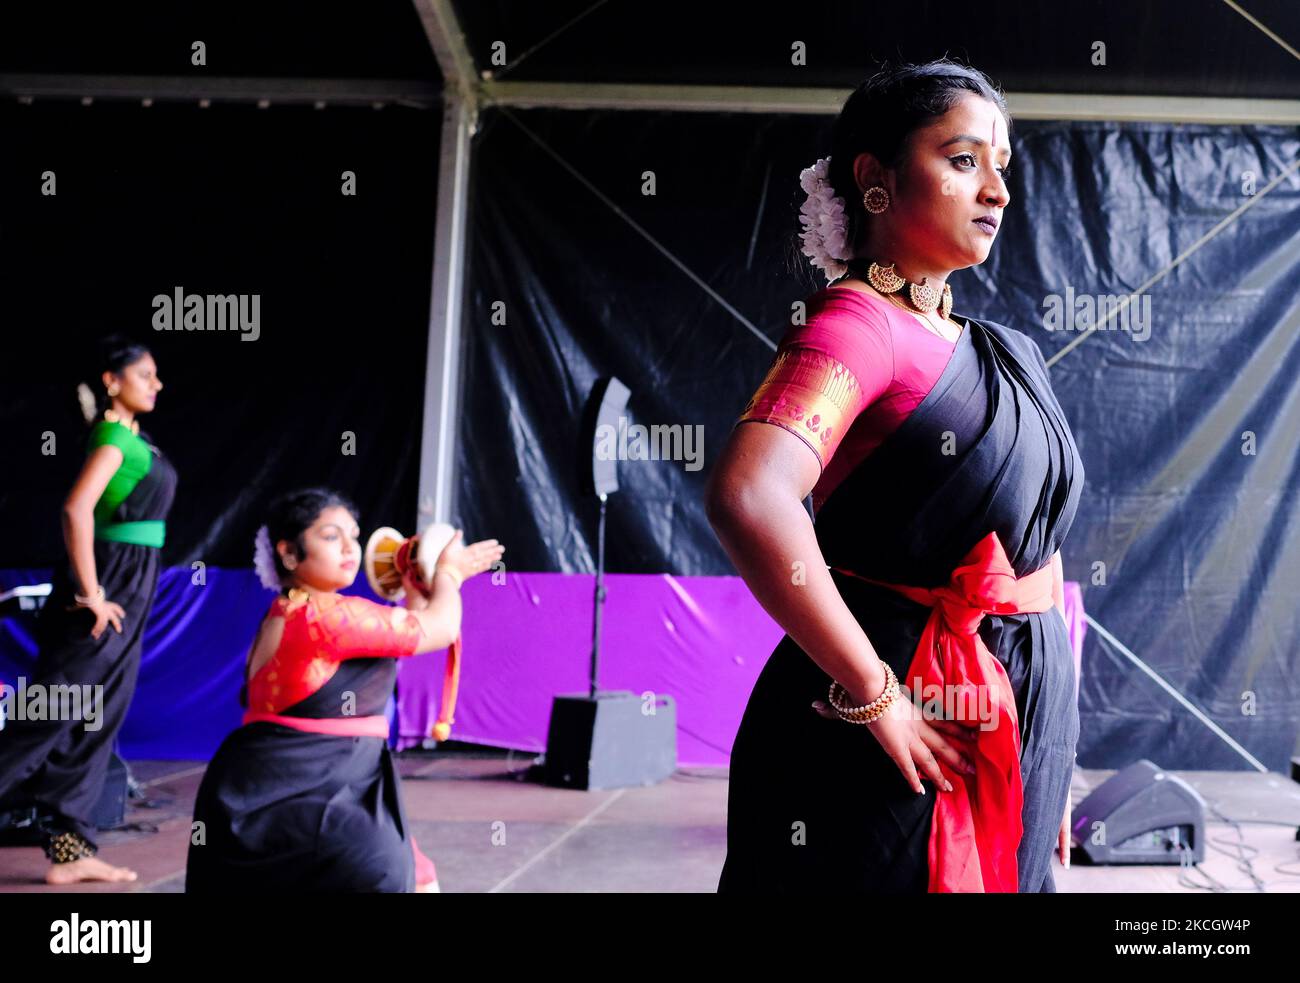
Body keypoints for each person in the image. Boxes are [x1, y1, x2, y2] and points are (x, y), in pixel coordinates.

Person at [708, 59, 1085, 893]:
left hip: (1015, 715)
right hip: (900, 729)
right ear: (874, 179)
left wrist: (1049, 742)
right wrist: (878, 692)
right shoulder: (858, 327)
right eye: (963, 160)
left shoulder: (1004, 350)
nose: (997, 191)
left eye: (1002, 166)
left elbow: (1037, 561)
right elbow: (751, 494)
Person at [185, 488, 504, 892]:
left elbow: (391, 640)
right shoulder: (327, 617)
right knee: (390, 876)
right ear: (288, 552)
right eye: (332, 536)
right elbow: (438, 629)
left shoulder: (292, 609)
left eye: (354, 535)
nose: (350, 547)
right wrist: (450, 575)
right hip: (309, 790)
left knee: (417, 875)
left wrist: (412, 591)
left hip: (278, 783)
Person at [0, 335, 174, 884]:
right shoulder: (112, 439)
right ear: (111, 381)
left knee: (95, 721)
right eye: (144, 374)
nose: (156, 383)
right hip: (109, 578)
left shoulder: (130, 437)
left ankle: (69, 852)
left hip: (132, 578)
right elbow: (76, 509)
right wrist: (92, 593)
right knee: (47, 716)